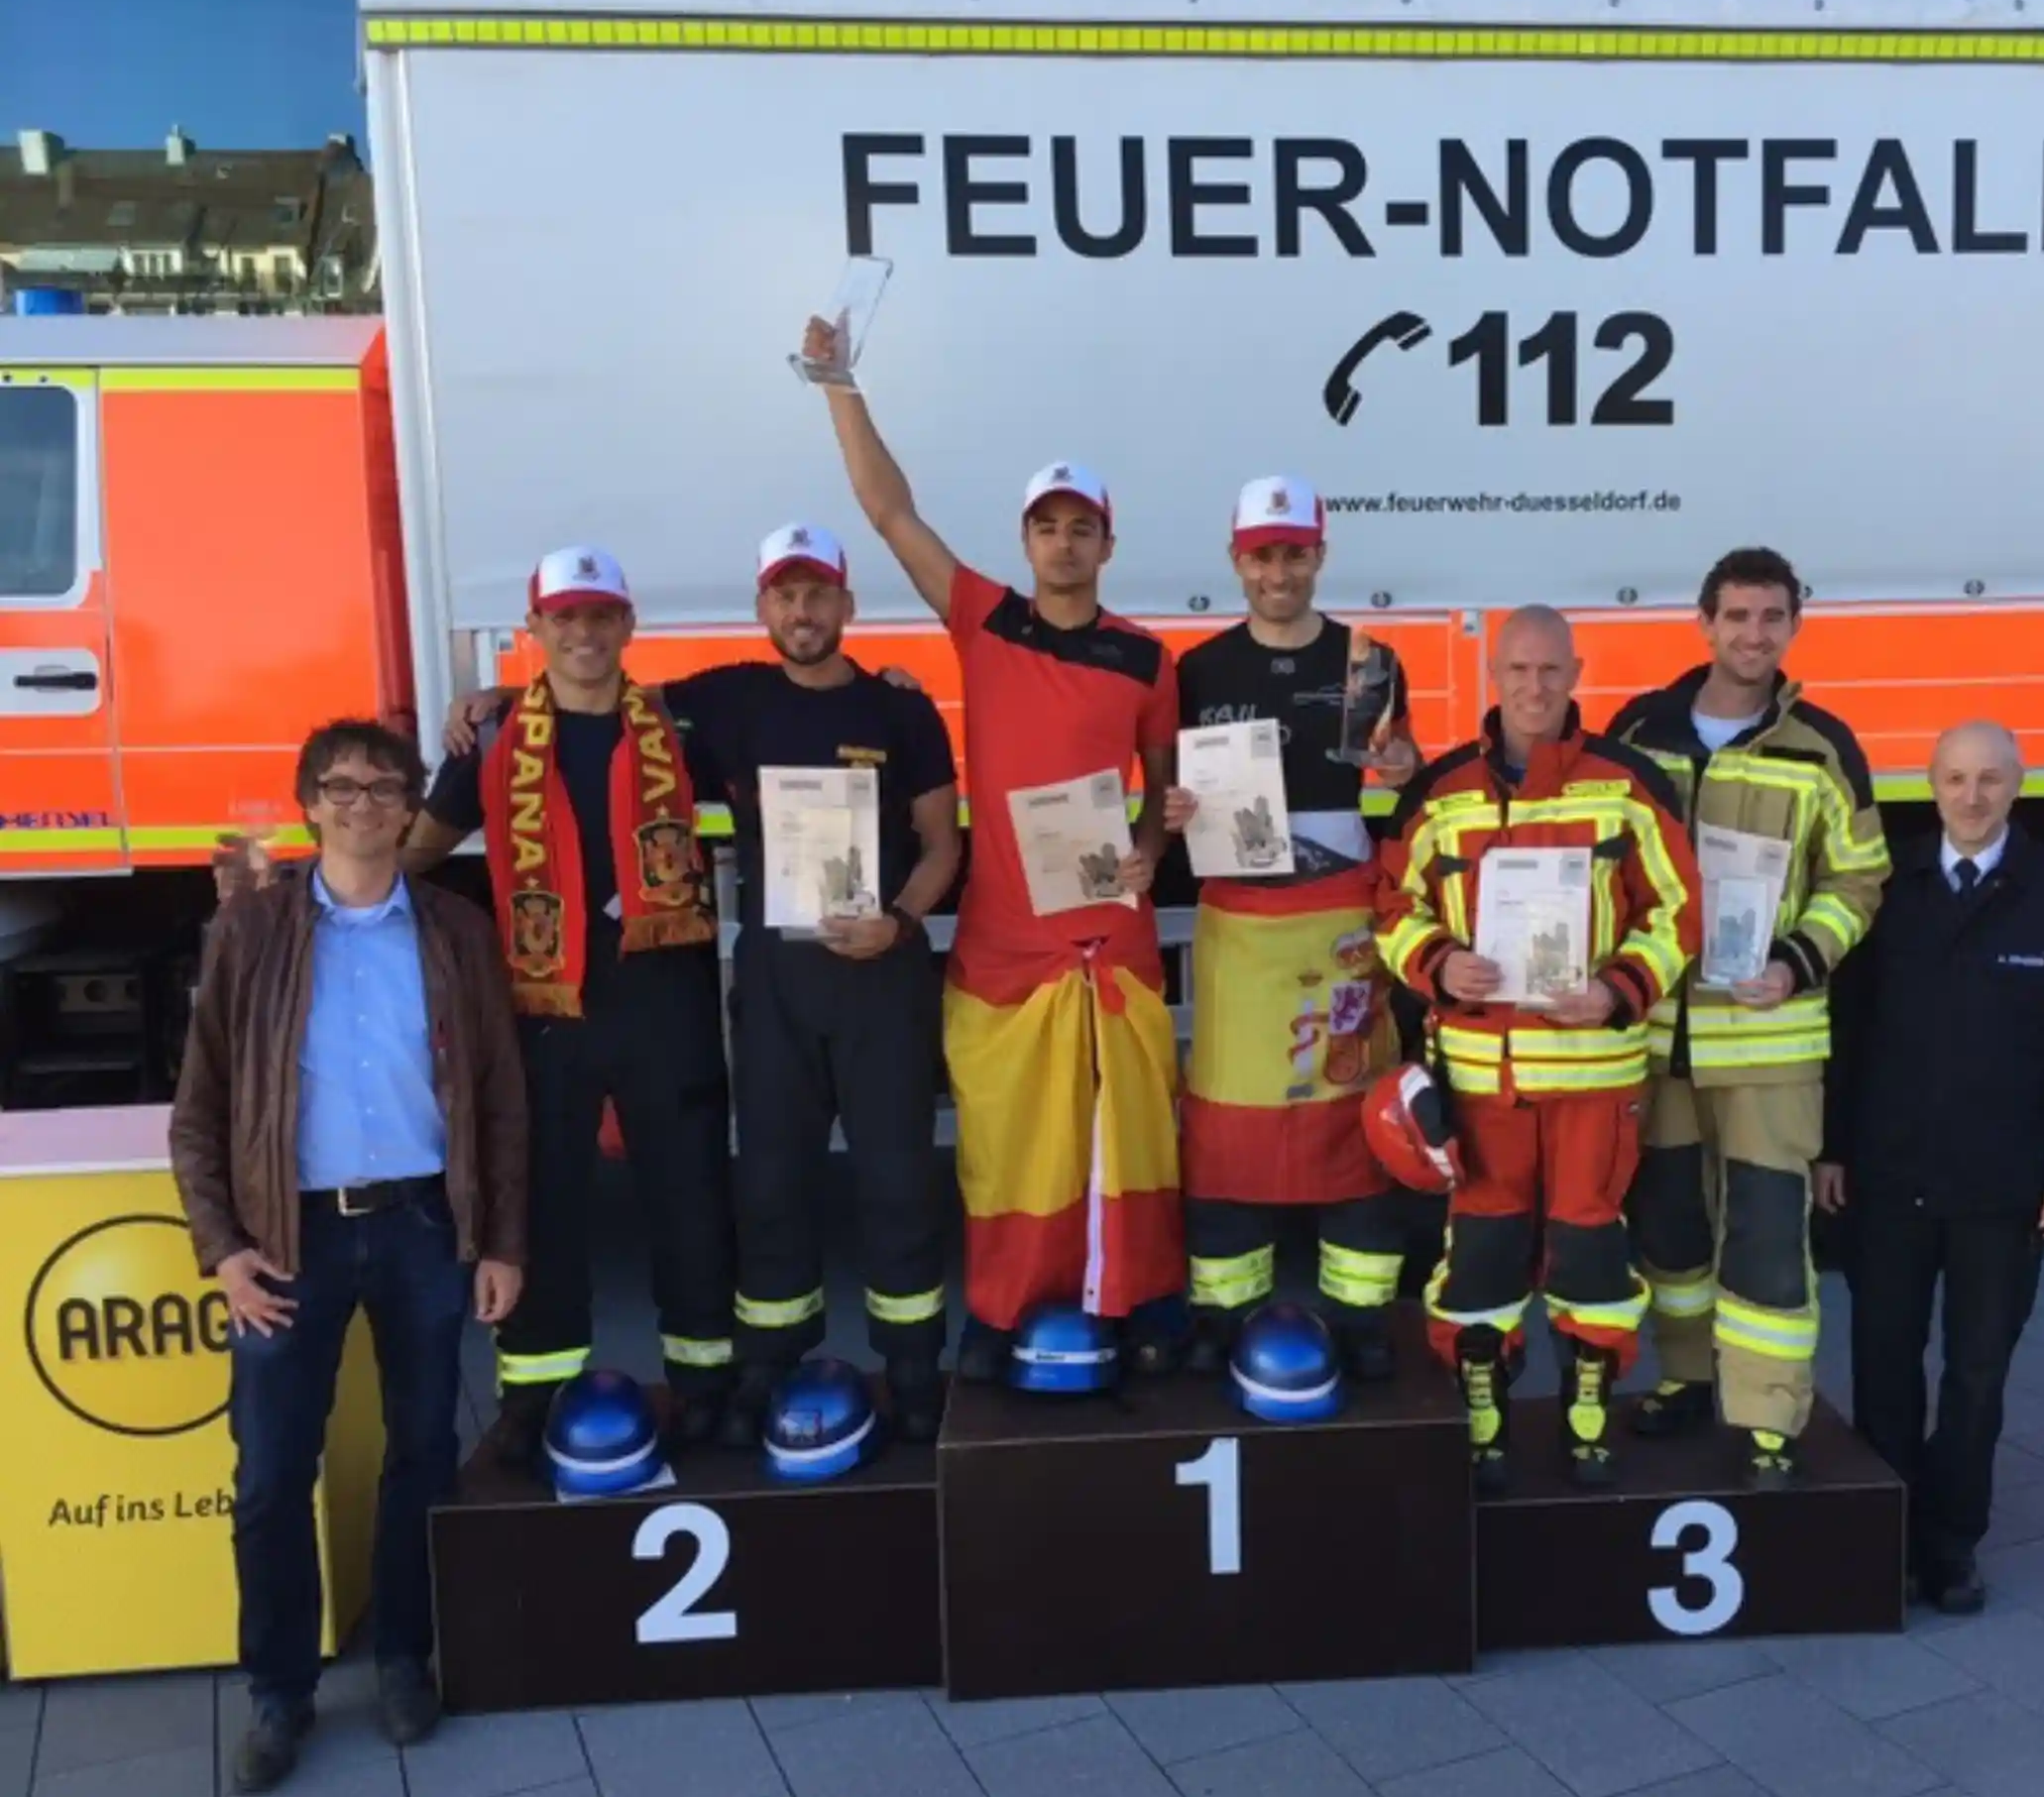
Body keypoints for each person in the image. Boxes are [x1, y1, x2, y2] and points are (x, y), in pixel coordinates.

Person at [442, 525, 965, 1440]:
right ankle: (769, 1366)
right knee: (768, 1185)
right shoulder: (720, 701)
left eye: (818, 594)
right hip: (774, 983)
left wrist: (904, 925)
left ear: (847, 604)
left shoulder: (900, 711)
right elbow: (595, 697)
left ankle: (914, 1366)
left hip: (882, 976)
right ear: (764, 607)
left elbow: (942, 843)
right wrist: (495, 701)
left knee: (898, 1182)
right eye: (784, 595)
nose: (801, 612)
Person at [801, 313, 1186, 1378]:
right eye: (1045, 527)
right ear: (1024, 543)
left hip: (1113, 946)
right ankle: (1007, 1309)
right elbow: (888, 512)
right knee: (1010, 1149)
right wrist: (839, 386)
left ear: (1108, 543)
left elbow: (1162, 787)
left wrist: (1152, 847)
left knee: (1132, 1143)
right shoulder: (983, 620)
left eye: (1080, 527)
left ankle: (1144, 1299)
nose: (1062, 543)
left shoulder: (1148, 660)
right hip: (1007, 952)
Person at [170, 720, 526, 1796]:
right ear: (309, 803)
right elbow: (201, 1112)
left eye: (385, 787)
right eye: (342, 786)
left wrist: (502, 1239)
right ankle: (278, 1693)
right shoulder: (251, 932)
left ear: (412, 805)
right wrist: (224, 1250)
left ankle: (404, 1660)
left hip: (422, 1226)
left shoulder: (457, 931)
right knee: (273, 1473)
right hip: (289, 1238)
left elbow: (503, 1099)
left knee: (423, 1452)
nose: (365, 803)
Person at [406, 545, 737, 1463]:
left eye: (601, 617)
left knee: (691, 1198)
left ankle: (705, 1381)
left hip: (663, 1000)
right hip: (545, 1011)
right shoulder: (492, 742)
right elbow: (416, 855)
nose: (584, 634)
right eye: (565, 619)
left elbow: (788, 750)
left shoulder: (683, 729)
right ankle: (534, 1392)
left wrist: (897, 686)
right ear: (536, 631)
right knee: (540, 1202)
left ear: (628, 626)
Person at [1375, 604, 1698, 1489]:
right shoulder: (1440, 793)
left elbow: (1677, 912)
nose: (1534, 687)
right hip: (1482, 1081)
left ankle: (1587, 1398)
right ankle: (1482, 1393)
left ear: (1577, 672)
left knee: (1590, 1245)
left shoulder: (1627, 785)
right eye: (1517, 671)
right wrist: (1439, 966)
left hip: (1595, 1074)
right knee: (1481, 1245)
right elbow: (1392, 907)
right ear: (1494, 677)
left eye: (1550, 670)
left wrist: (1616, 988)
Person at [1821, 721, 2044, 1613]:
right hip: (1889, 1176)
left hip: (2006, 1187)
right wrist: (1832, 1144)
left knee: (1977, 1376)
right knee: (1882, 1364)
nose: (1973, 796)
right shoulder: (1889, 884)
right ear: (1933, 784)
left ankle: (1952, 1547)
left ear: (2018, 786)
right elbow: (1849, 1029)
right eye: (1956, 779)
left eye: (1991, 780)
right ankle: (1888, 1535)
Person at [1607, 546, 1889, 1486]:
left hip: (1768, 1037)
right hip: (1657, 1037)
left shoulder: (1824, 744)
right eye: (1737, 617)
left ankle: (1770, 1412)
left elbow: (1858, 878)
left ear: (1794, 624)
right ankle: (1686, 1376)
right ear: (1704, 621)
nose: (1754, 635)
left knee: (1769, 1235)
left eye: (1772, 618)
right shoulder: (1638, 728)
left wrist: (1797, 959)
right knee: (1669, 1227)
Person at [1158, 476, 1423, 1379]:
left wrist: (1403, 765)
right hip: (1241, 927)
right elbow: (1164, 795)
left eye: (1295, 553)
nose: (1279, 571)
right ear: (1237, 561)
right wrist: (1172, 805)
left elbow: (1400, 780)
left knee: (1353, 1119)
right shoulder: (1196, 671)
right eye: (1263, 555)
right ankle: (1223, 1319)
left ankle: (1360, 1320)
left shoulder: (1370, 660)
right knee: (1228, 1127)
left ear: (1321, 555)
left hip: (1340, 928)